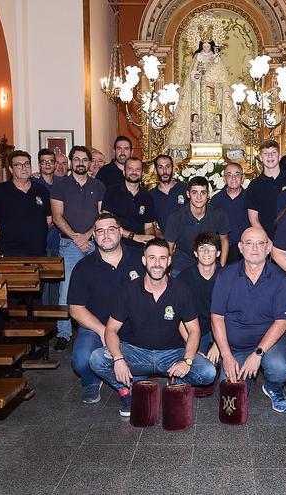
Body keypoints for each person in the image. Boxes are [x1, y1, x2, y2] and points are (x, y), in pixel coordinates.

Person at [89, 239, 216, 417]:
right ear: (144, 261)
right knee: (96, 358)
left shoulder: (181, 289)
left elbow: (194, 330)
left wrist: (187, 360)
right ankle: (128, 390)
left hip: (172, 354)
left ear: (169, 261)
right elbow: (110, 330)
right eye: (152, 258)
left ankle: (176, 379)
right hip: (136, 352)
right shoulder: (129, 290)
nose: (157, 264)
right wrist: (118, 359)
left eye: (162, 258)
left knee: (208, 372)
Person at [210, 227, 286, 413]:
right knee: (231, 399)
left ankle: (273, 387)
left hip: (269, 344)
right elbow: (216, 317)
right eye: (249, 243)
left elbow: (281, 323)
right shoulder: (225, 275)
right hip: (235, 346)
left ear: (268, 247)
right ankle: (241, 376)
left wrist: (257, 354)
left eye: (260, 243)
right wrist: (227, 355)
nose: (254, 248)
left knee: (280, 369)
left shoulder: (281, 279)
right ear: (240, 247)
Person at [67, 212, 145, 404]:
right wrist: (103, 331)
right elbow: (76, 309)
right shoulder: (83, 267)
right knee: (81, 359)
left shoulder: (140, 259)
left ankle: (125, 379)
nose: (106, 235)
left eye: (111, 230)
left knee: (141, 376)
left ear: (120, 232)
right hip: (96, 328)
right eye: (100, 231)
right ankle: (91, 382)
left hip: (134, 327)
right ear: (94, 235)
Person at [50, 145, 105, 350]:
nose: (80, 163)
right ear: (72, 162)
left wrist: (88, 236)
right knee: (66, 290)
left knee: (98, 288)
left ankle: (97, 329)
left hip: (95, 243)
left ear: (90, 163)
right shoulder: (60, 186)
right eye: (77, 159)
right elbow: (57, 217)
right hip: (69, 244)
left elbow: (101, 215)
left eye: (84, 160)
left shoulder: (98, 185)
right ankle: (63, 333)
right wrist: (76, 237)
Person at [0, 150, 51, 257]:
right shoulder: (0, 191)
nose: (24, 167)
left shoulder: (41, 190)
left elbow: (50, 218)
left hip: (38, 252)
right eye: (18, 165)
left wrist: (36, 230)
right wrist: (8, 231)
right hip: (11, 253)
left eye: (26, 164)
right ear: (11, 169)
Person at [164, 176, 229, 276]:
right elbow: (169, 247)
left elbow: (224, 240)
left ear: (208, 195)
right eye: (194, 193)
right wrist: (167, 272)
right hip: (182, 264)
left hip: (209, 261)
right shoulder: (176, 217)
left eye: (203, 193)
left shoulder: (218, 214)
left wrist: (222, 267)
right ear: (188, 194)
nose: (199, 197)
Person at [177, 232, 222, 356]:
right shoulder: (184, 278)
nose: (206, 252)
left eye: (211, 247)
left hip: (221, 327)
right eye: (202, 248)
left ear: (218, 253)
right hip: (194, 328)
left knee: (230, 364)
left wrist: (218, 346)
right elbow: (178, 318)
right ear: (196, 253)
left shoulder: (227, 277)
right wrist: (193, 348)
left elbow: (233, 316)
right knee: (195, 364)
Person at [32, 148, 65, 306]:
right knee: (43, 281)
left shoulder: (61, 182)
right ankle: (43, 318)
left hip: (59, 239)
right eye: (44, 161)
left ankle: (56, 318)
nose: (47, 164)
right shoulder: (33, 183)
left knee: (58, 281)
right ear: (39, 165)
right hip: (41, 240)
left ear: (54, 164)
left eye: (50, 161)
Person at [102, 157, 157, 248]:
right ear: (124, 172)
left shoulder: (147, 196)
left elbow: (149, 226)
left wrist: (149, 238)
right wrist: (134, 236)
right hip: (116, 244)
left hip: (139, 246)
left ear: (142, 173)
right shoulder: (112, 191)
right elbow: (107, 222)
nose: (134, 172)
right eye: (130, 169)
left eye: (137, 169)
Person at [245, 140, 286, 239]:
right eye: (266, 153)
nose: (270, 156)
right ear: (261, 158)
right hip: (266, 238)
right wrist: (265, 240)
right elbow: (253, 218)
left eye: (274, 152)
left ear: (279, 156)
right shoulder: (254, 186)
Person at [212, 162, 249, 263]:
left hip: (245, 249)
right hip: (222, 248)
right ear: (224, 179)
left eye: (237, 174)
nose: (233, 178)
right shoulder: (216, 200)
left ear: (243, 178)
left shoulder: (250, 198)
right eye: (229, 175)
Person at [148, 154, 188, 234]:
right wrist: (165, 240)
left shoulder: (186, 189)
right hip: (165, 242)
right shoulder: (150, 196)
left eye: (168, 166)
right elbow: (150, 226)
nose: (165, 171)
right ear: (155, 171)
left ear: (173, 169)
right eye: (160, 167)